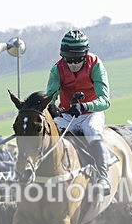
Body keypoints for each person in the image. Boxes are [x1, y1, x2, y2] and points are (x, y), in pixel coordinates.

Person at [45, 29, 112, 196]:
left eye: (77, 60)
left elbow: (105, 100)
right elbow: (50, 98)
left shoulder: (96, 65)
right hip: (67, 114)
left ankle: (104, 178)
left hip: (91, 113)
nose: (73, 64)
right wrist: (52, 108)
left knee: (91, 130)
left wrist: (85, 106)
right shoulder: (56, 70)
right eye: (68, 60)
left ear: (85, 55)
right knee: (51, 134)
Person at [0, 135, 16, 202]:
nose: (2, 145)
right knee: (4, 196)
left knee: (12, 195)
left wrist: (4, 162)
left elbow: (13, 163)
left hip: (10, 178)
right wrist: (8, 164)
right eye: (1, 143)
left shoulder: (7, 152)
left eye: (3, 143)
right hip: (1, 178)